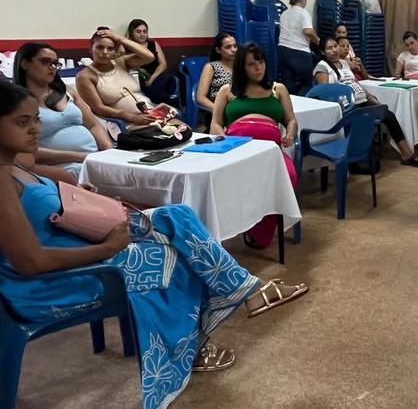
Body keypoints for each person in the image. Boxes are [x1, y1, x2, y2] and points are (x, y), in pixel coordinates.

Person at [0, 80, 308, 408]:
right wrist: (108, 248)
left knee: (176, 215)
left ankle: (243, 289)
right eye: (23, 121)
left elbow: (48, 206)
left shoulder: (16, 167)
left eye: (36, 119)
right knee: (173, 256)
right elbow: (30, 262)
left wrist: (83, 200)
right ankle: (200, 338)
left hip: (78, 245)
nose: (35, 128)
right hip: (53, 282)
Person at [210, 43, 299, 247]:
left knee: (289, 176)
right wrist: (223, 139)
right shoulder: (227, 91)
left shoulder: (278, 89)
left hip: (271, 152)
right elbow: (215, 123)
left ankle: (262, 229)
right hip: (237, 151)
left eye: (261, 62)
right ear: (242, 67)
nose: (259, 68)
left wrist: (290, 134)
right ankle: (238, 222)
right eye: (251, 64)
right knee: (229, 181)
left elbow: (291, 120)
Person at [314, 38, 418, 167]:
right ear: (322, 52)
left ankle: (406, 154)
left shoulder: (344, 63)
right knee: (363, 121)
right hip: (346, 107)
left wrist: (369, 96)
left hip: (361, 100)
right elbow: (325, 93)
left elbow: (353, 83)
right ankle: (358, 155)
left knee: (389, 115)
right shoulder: (322, 67)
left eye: (335, 46)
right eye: (329, 48)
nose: (334, 50)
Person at [13, 42, 113, 178]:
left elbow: (93, 125)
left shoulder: (67, 91)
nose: (52, 68)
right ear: (25, 64)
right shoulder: (16, 102)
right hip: (59, 166)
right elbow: (21, 151)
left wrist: (108, 150)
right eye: (45, 62)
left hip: (92, 158)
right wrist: (79, 156)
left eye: (55, 63)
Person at [76, 28, 162, 128]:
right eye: (100, 47)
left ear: (115, 51)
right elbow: (99, 108)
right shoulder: (85, 76)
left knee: (177, 128)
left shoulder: (121, 63)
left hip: (150, 112)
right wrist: (133, 118)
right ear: (91, 49)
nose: (105, 52)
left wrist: (120, 38)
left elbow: (149, 57)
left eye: (110, 49)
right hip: (123, 123)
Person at [126, 19, 179, 104]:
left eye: (145, 31)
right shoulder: (125, 46)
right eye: (138, 32)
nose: (142, 34)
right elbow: (122, 65)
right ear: (131, 32)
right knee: (164, 95)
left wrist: (153, 77)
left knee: (168, 77)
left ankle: (149, 100)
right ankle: (152, 101)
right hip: (137, 79)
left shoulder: (153, 44)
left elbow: (163, 64)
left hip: (155, 77)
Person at [277, 0, 319, 96]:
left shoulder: (284, 14)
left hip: (282, 51)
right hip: (299, 52)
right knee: (307, 84)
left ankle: (290, 104)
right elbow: (308, 31)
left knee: (288, 86)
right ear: (303, 0)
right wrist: (317, 40)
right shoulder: (303, 12)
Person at [195, 33, 237, 129]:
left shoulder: (241, 66)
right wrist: (218, 109)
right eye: (228, 47)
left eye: (235, 46)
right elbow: (200, 98)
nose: (233, 50)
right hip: (219, 110)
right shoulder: (211, 67)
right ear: (218, 50)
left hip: (237, 107)